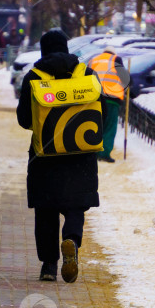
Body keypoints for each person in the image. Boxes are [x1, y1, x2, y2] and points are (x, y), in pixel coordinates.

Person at [16, 29, 107, 283]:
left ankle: (48, 266)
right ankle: (71, 241)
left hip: (45, 156)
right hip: (81, 155)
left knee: (46, 210)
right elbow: (103, 115)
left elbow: (24, 119)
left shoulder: (34, 77)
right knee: (76, 206)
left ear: (44, 50)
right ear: (67, 48)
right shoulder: (87, 74)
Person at [89, 46, 126, 163]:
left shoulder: (93, 60)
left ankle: (93, 153)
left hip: (95, 98)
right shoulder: (116, 59)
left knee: (96, 125)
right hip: (111, 99)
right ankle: (104, 154)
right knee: (109, 126)